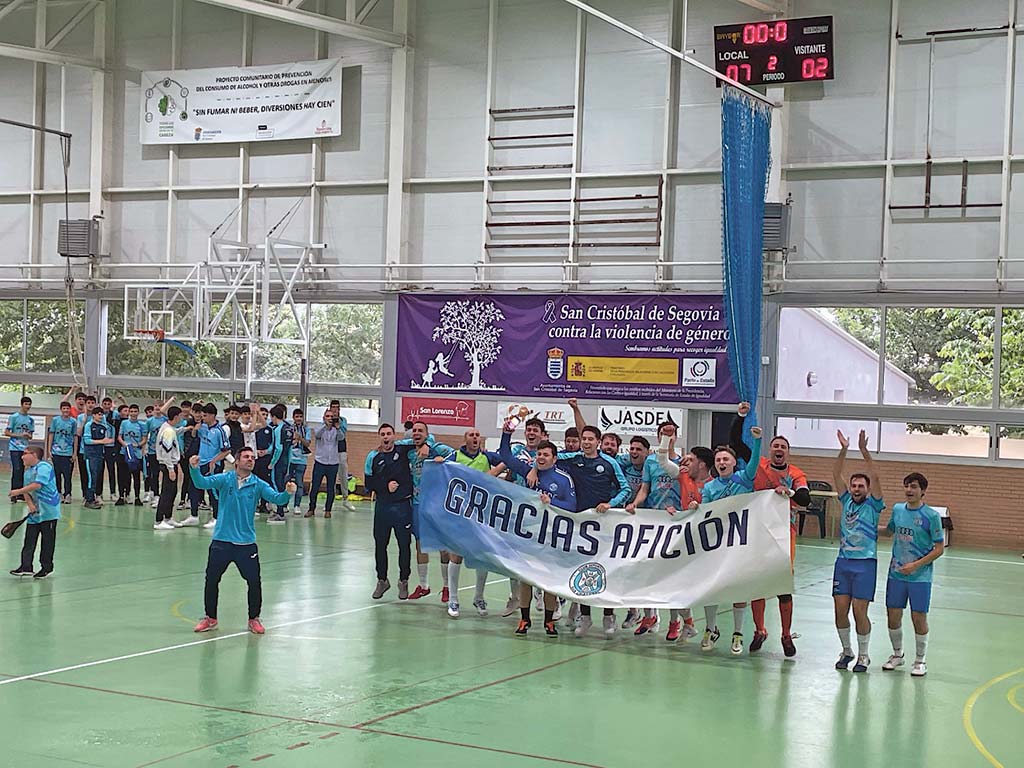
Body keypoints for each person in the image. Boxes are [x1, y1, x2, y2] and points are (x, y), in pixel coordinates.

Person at [665, 427, 762, 654]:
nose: (721, 462)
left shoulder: (745, 478)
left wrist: (757, 441)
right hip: (716, 543)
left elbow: (755, 461)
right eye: (718, 459)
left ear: (733, 462)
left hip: (740, 542)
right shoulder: (709, 487)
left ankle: (738, 633)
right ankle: (710, 629)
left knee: (738, 591)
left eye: (726, 459)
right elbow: (706, 511)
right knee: (712, 588)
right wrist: (691, 510)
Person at [730, 402, 810, 657]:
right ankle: (760, 630)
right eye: (775, 445)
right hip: (758, 533)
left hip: (785, 535)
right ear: (770, 449)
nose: (778, 449)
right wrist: (740, 417)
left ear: (787, 453)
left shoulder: (796, 473)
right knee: (758, 583)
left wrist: (791, 493)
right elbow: (735, 442)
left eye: (783, 447)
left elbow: (806, 499)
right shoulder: (760, 465)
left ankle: (786, 634)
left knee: (782, 585)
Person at [190, 449, 296, 635]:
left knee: (254, 581)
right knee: (211, 580)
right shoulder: (225, 479)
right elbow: (201, 483)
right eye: (246, 457)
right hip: (221, 541)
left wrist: (287, 493)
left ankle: (253, 619)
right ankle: (210, 618)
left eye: (253, 458)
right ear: (237, 461)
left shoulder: (258, 484)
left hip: (246, 544)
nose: (251, 460)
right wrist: (194, 468)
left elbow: (276, 498)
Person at [539, 424, 630, 638]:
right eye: (584, 438)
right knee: (583, 569)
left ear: (598, 441)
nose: (587, 442)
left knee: (607, 569)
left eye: (591, 439)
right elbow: (546, 461)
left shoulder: (610, 463)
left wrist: (611, 503)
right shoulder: (572, 459)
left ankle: (609, 616)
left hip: (605, 523)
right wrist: (534, 469)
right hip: (580, 524)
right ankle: (585, 616)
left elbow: (625, 489)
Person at [498, 425, 575, 636]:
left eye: (545, 455)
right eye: (539, 454)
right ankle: (524, 620)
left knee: (548, 582)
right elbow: (504, 455)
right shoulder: (528, 472)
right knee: (526, 580)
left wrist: (553, 502)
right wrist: (506, 433)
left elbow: (572, 505)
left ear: (554, 458)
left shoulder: (562, 479)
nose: (541, 457)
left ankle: (549, 621)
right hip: (526, 534)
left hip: (550, 537)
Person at [879, 472, 944, 677]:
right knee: (893, 616)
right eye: (906, 486)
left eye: (914, 486)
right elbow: (889, 531)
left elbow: (939, 548)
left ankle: (920, 660)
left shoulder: (931, 516)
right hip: (896, 574)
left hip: (920, 577)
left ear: (922, 491)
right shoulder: (898, 509)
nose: (909, 490)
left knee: (918, 617)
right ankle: (897, 655)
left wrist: (915, 565)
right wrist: (865, 527)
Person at [628, 421, 688, 638]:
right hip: (652, 521)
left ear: (676, 438)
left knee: (671, 575)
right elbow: (645, 488)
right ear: (658, 437)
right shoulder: (651, 462)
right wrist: (635, 503)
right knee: (647, 571)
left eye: (671, 434)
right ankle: (649, 615)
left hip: (675, 523)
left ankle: (674, 622)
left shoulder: (683, 462)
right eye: (663, 434)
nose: (667, 437)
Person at [831, 429, 884, 673]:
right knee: (840, 611)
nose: (855, 488)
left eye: (860, 485)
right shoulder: (846, 500)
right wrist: (844, 450)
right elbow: (835, 473)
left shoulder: (874, 504)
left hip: (865, 564)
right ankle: (847, 651)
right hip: (843, 563)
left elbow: (875, 474)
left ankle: (864, 655)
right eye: (853, 485)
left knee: (859, 611)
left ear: (867, 488)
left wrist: (864, 451)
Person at [444, 428, 506, 618]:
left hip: (481, 513)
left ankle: (479, 596)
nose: (475, 437)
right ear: (465, 439)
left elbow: (507, 461)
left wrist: (494, 472)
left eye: (478, 435)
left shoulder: (487, 457)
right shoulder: (454, 456)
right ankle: (453, 599)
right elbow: (440, 470)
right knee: (456, 555)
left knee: (482, 556)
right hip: (460, 513)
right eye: (471, 435)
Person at [364, 423, 422, 600]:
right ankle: (382, 580)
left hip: (403, 507)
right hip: (382, 507)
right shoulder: (373, 457)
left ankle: (404, 581)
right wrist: (385, 486)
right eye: (383, 434)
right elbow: (368, 484)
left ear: (394, 436)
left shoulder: (403, 450)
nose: (386, 437)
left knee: (404, 546)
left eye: (389, 434)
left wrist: (426, 445)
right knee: (380, 546)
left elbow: (424, 440)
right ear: (379, 437)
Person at [500, 415, 547, 617]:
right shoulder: (518, 453)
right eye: (529, 429)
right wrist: (506, 434)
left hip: (542, 514)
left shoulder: (549, 455)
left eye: (536, 429)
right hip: (518, 512)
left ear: (543, 435)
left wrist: (536, 467)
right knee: (515, 557)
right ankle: (515, 596)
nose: (531, 432)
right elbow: (504, 455)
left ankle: (542, 595)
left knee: (542, 557)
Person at [403, 421, 454, 599]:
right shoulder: (408, 450)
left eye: (420, 431)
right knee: (420, 544)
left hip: (437, 503)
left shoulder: (437, 447)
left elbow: (455, 455)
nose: (417, 433)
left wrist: (433, 452)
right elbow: (392, 446)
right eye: (414, 431)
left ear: (427, 434)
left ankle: (447, 587)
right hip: (417, 503)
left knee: (443, 546)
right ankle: (423, 585)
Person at [8, 447, 61, 579]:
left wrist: (17, 491)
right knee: (29, 539)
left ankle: (46, 567)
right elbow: (27, 491)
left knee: (47, 541)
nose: (22, 457)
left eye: (25, 454)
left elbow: (38, 485)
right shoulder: (27, 472)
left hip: (49, 510)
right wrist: (30, 504)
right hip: (35, 512)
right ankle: (26, 566)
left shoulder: (44, 467)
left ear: (34, 455)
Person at [184, 404, 230, 528]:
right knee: (193, 488)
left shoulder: (220, 430)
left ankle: (216, 517)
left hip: (213, 466)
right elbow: (194, 436)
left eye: (205, 415)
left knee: (213, 491)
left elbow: (226, 450)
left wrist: (214, 461)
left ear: (212, 415)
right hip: (200, 463)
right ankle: (194, 515)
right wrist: (195, 429)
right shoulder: (202, 427)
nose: (202, 417)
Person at [307, 408, 341, 519]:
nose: (330, 418)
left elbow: (341, 438)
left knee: (331, 488)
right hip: (320, 462)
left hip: (333, 463)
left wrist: (338, 428)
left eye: (331, 416)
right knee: (315, 486)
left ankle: (328, 510)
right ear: (323, 418)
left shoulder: (337, 429)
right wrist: (325, 426)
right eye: (328, 416)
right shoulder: (319, 428)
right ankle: (311, 509)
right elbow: (317, 434)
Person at [154, 406, 184, 530]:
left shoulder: (168, 427)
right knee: (166, 493)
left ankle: (168, 517)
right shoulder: (168, 432)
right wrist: (171, 469)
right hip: (168, 465)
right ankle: (158, 520)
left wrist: (185, 429)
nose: (181, 418)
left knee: (172, 492)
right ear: (176, 416)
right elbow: (166, 452)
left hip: (171, 464)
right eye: (180, 416)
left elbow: (174, 431)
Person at [266, 404, 295, 524]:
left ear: (273, 417)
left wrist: (272, 463)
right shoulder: (288, 428)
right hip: (286, 461)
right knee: (282, 485)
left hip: (278, 462)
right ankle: (281, 509)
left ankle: (280, 512)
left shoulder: (278, 429)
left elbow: (278, 448)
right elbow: (289, 448)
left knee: (277, 486)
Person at [82, 407, 115, 509]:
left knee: (96, 477)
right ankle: (89, 500)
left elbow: (109, 435)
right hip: (91, 455)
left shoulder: (103, 426)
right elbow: (87, 440)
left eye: (102, 414)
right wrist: (102, 441)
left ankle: (94, 498)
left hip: (99, 455)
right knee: (91, 477)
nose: (100, 416)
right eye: (98, 414)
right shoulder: (89, 425)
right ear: (94, 415)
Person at [5, 396, 35, 503]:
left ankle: (21, 493)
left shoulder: (31, 420)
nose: (28, 406)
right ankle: (14, 493)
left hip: (25, 448)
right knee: (16, 469)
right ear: (22, 404)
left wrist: (28, 436)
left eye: (29, 404)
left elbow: (31, 435)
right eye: (26, 404)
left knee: (22, 470)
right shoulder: (14, 417)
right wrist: (20, 435)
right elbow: (7, 432)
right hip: (15, 447)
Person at [328, 400, 356, 512]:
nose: (335, 409)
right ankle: (331, 500)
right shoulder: (327, 418)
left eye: (337, 407)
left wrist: (338, 424)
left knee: (343, 474)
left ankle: (345, 498)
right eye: (333, 407)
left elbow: (343, 433)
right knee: (331, 476)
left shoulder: (343, 420)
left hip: (341, 449)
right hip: (330, 450)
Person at [46, 401, 77, 503]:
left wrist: (74, 452)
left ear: (70, 410)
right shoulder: (55, 420)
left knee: (67, 475)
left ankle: (68, 494)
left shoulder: (73, 422)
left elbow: (75, 437)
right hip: (56, 452)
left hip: (68, 452)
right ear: (61, 410)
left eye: (67, 408)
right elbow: (51, 435)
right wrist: (49, 450)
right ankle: (58, 493)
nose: (66, 410)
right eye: (64, 408)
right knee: (57, 474)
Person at [116, 404, 145, 506]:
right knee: (122, 476)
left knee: (136, 476)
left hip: (136, 454)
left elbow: (144, 439)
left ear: (138, 412)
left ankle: (137, 497)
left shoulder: (142, 425)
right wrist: (125, 445)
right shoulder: (124, 423)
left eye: (135, 411)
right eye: (131, 411)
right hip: (124, 453)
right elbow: (119, 436)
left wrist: (137, 445)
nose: (133, 413)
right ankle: (121, 496)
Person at [287, 409, 312, 514]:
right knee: (287, 482)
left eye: (300, 417)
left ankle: (297, 505)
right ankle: (284, 504)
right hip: (289, 459)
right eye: (296, 416)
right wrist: (294, 440)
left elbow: (308, 444)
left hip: (301, 460)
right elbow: (286, 442)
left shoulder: (307, 429)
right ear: (293, 417)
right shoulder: (288, 428)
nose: (299, 419)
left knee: (299, 483)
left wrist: (300, 438)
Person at [74, 395, 97, 500]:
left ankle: (94, 494)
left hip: (96, 450)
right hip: (83, 449)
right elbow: (78, 433)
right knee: (84, 473)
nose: (90, 405)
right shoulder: (80, 417)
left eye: (93, 402)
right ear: (86, 404)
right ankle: (85, 495)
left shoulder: (99, 417)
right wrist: (83, 421)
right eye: (89, 403)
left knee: (95, 473)